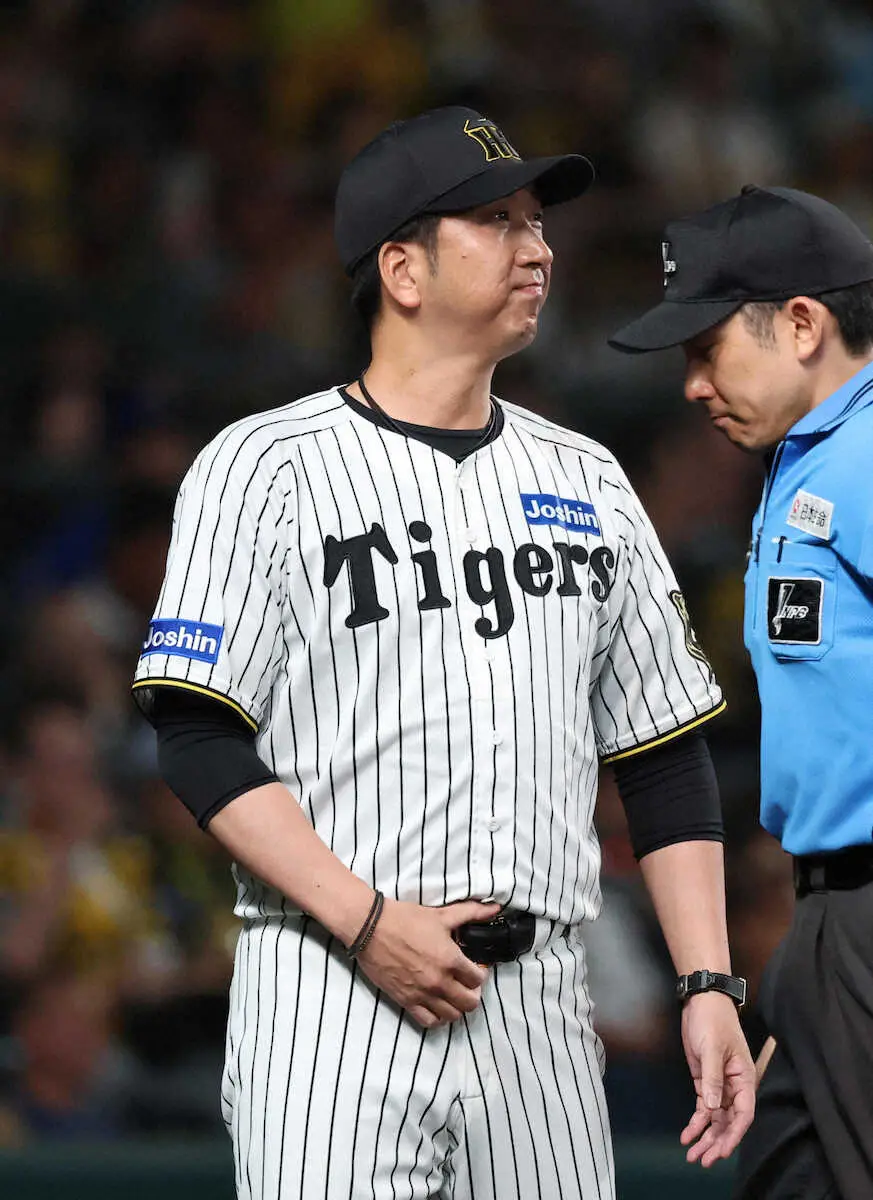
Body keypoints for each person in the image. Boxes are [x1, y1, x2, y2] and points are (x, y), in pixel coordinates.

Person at [132, 106, 754, 1200]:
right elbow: (196, 733)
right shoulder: (264, 466)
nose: (537, 246)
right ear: (402, 270)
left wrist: (708, 981)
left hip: (541, 1004)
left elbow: (662, 755)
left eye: (537, 221)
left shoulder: (587, 478)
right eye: (496, 220)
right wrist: (366, 921)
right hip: (332, 988)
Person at [610, 183, 873, 1200]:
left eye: (706, 347)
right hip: (827, 918)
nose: (691, 384)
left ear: (801, 323)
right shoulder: (813, 455)